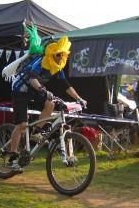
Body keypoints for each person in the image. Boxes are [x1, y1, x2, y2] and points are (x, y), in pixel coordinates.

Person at [9, 36, 87, 172]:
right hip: (20, 89)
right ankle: (13, 157)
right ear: (52, 53)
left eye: (62, 55)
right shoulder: (41, 61)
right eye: (58, 54)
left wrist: (79, 98)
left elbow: (66, 85)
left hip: (33, 90)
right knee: (21, 124)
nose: (60, 57)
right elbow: (33, 79)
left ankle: (37, 132)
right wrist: (42, 90)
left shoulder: (57, 66)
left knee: (50, 104)